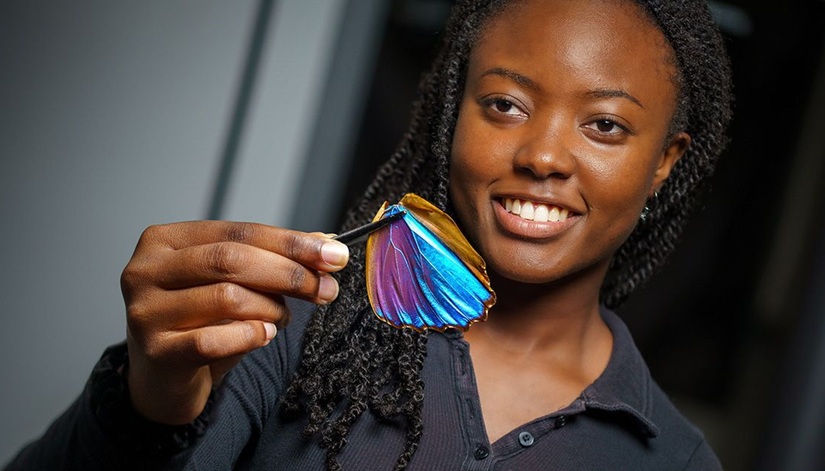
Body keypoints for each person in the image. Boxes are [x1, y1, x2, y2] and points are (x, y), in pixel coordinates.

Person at [6, 0, 732, 469]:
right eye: (505, 104)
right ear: (454, 115)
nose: (541, 155)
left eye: (603, 124)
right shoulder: (294, 328)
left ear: (664, 162)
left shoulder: (669, 455)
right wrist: (147, 401)